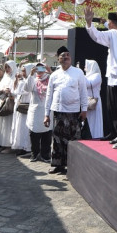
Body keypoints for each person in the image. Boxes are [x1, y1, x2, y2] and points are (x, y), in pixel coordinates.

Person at [84, 6, 117, 149]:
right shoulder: (113, 33)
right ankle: (115, 133)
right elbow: (97, 36)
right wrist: (89, 23)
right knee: (112, 108)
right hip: (112, 77)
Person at [43, 46, 88, 175]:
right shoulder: (54, 75)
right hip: (58, 111)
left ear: (70, 58)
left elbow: (83, 92)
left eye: (68, 55)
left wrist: (84, 109)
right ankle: (58, 165)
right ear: (58, 58)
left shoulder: (78, 72)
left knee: (73, 140)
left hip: (74, 112)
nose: (66, 57)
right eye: (63, 55)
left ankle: (73, 165)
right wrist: (46, 114)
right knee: (57, 139)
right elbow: (49, 95)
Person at [25, 63, 52, 162]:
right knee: (34, 133)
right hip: (35, 110)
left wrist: (50, 72)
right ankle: (34, 153)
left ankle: (45, 155)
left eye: (42, 68)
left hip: (47, 110)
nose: (40, 70)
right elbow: (27, 89)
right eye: (38, 68)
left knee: (47, 133)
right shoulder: (33, 79)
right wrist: (31, 75)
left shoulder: (50, 78)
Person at [0, 61, 17, 153]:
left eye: (9, 67)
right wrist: (2, 90)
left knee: (9, 125)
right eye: (6, 67)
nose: (7, 69)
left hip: (10, 104)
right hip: (2, 102)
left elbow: (18, 91)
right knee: (3, 125)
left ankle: (9, 146)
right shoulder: (5, 78)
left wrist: (10, 92)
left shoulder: (15, 77)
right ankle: (3, 144)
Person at [11, 64, 31, 157]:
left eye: (24, 71)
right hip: (20, 107)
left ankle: (26, 147)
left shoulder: (29, 81)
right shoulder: (22, 81)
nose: (22, 73)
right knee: (19, 128)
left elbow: (19, 92)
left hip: (26, 108)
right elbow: (15, 92)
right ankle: (20, 146)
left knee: (25, 129)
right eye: (22, 71)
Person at [83, 59, 104, 140]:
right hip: (87, 101)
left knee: (94, 121)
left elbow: (88, 84)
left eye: (86, 65)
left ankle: (95, 136)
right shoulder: (87, 76)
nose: (85, 67)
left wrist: (80, 75)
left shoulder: (97, 75)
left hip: (94, 101)